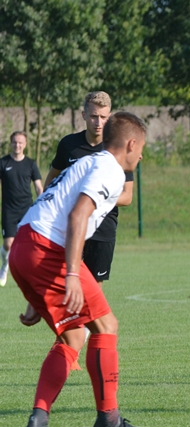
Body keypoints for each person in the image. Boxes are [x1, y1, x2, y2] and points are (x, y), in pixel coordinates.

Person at [10, 111, 154, 427]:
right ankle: (110, 420)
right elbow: (78, 214)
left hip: (24, 246)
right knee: (106, 325)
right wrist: (72, 274)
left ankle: (39, 419)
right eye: (141, 148)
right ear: (131, 144)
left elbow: (53, 212)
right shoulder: (109, 169)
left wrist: (35, 296)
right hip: (47, 250)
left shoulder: (86, 164)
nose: (142, 156)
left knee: (74, 336)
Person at [19, 91, 134, 328]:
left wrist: (90, 200)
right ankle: (68, 344)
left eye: (103, 117)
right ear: (83, 115)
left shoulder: (117, 149)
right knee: (63, 284)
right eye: (93, 116)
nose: (98, 122)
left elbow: (127, 196)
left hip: (102, 229)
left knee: (93, 294)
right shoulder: (69, 145)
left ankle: (79, 344)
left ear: (110, 117)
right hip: (67, 229)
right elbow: (52, 180)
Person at [0, 131, 43, 287]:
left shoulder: (31, 164)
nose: (17, 145)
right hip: (9, 210)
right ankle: (4, 267)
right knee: (8, 245)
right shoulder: (3, 163)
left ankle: (28, 274)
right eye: (14, 142)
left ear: (25, 144)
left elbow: (38, 187)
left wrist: (42, 204)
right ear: (10, 144)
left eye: (20, 142)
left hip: (27, 210)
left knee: (28, 245)